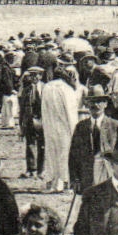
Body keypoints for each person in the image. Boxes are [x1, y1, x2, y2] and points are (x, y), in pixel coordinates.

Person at [68, 92, 118, 192]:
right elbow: (73, 155)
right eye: (92, 101)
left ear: (105, 104)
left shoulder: (116, 126)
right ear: (87, 104)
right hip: (87, 175)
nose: (95, 105)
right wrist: (75, 179)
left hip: (109, 174)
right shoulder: (81, 127)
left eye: (99, 101)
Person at [39, 65, 81, 193]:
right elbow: (70, 112)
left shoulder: (46, 87)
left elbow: (43, 109)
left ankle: (52, 182)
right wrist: (75, 130)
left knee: (51, 153)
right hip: (64, 127)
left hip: (49, 125)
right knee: (65, 154)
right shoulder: (66, 89)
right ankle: (66, 182)